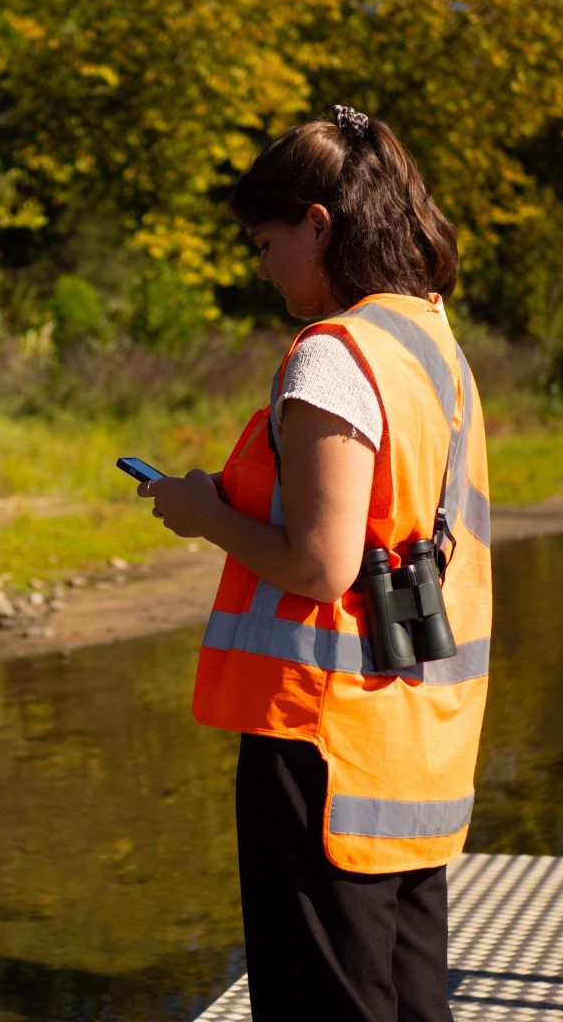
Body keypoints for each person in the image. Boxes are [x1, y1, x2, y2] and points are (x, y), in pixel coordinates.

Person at [139, 105, 492, 1022]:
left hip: (321, 747)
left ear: (318, 223)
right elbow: (390, 522)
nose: (261, 267)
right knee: (410, 1002)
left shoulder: (333, 356)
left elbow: (323, 562)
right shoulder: (433, 347)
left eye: (265, 243)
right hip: (414, 736)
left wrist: (202, 515)